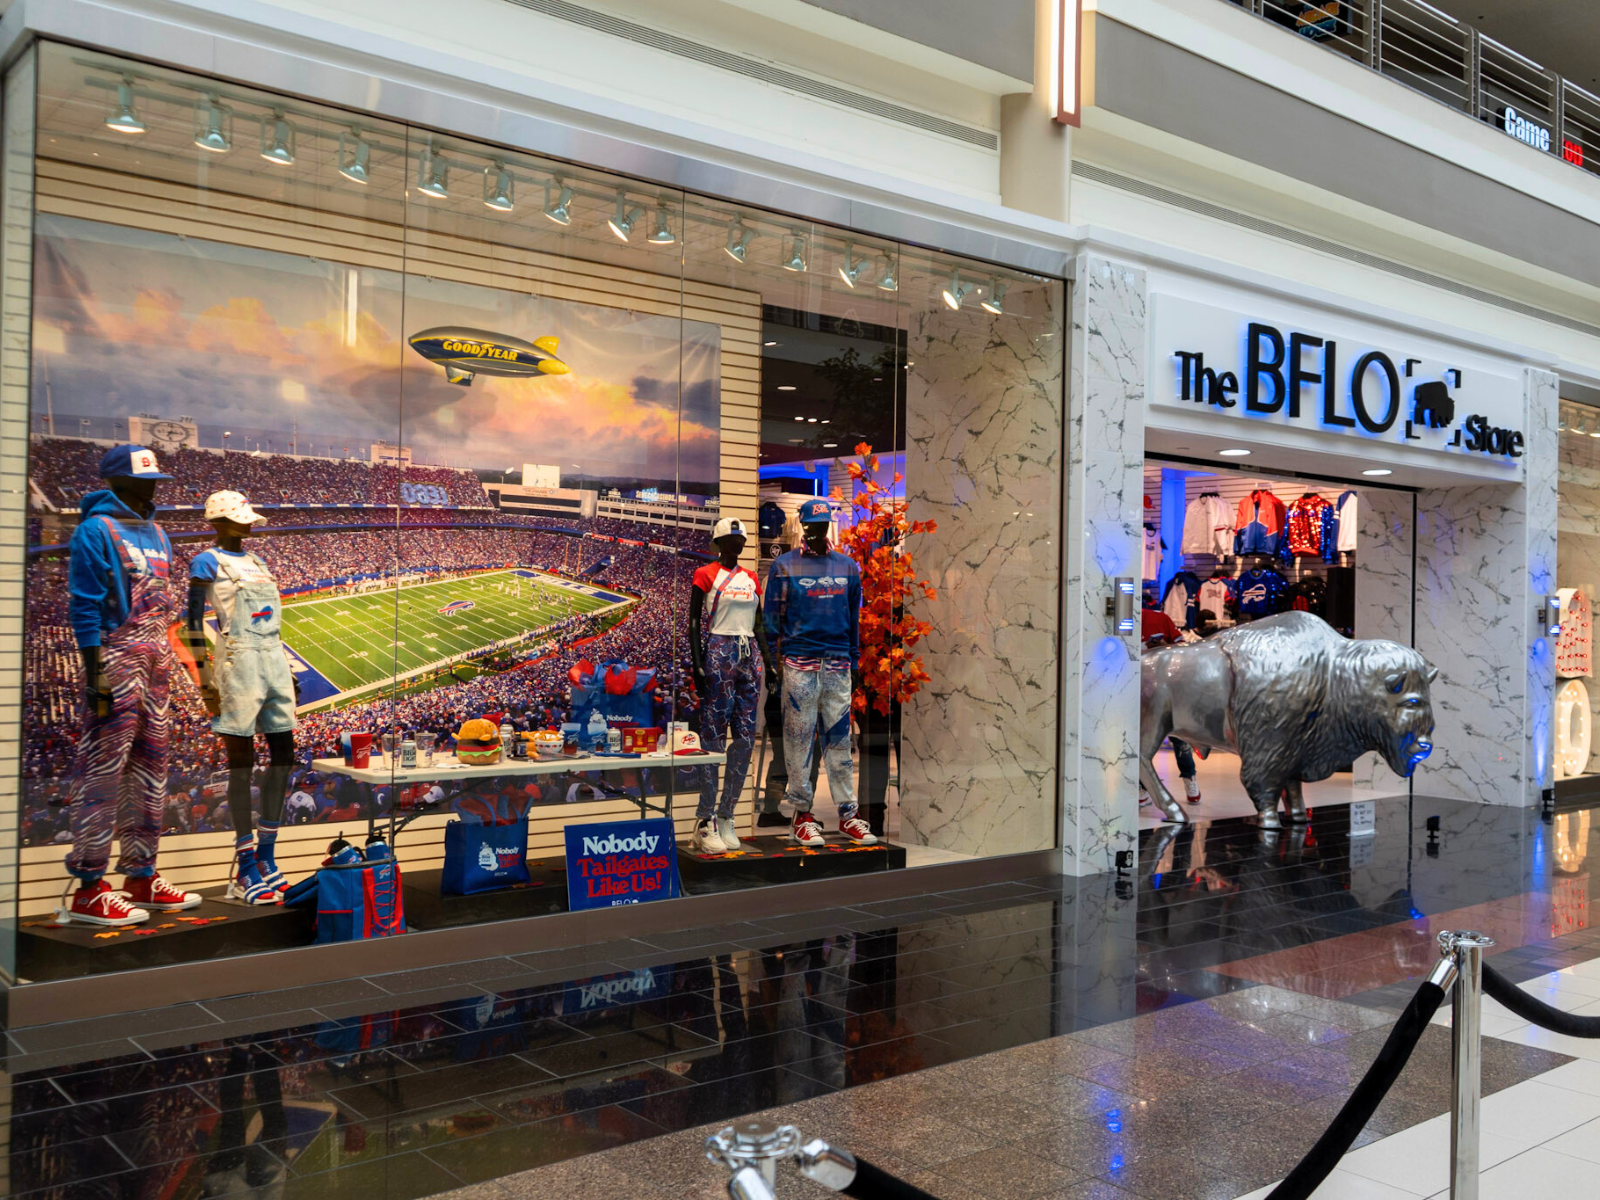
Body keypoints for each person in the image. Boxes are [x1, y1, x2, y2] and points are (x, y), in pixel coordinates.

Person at [60, 445, 201, 926]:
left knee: (152, 767)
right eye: (142, 482)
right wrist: (94, 671)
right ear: (116, 482)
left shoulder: (158, 531)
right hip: (116, 656)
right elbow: (84, 607)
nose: (150, 489)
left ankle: (140, 874)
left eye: (154, 481)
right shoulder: (95, 531)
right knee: (103, 770)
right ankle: (88, 886)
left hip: (156, 657)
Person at [186, 491, 298, 904]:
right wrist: (203, 678)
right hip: (237, 660)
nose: (248, 524)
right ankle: (245, 865)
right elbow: (194, 622)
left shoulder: (258, 562)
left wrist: (283, 668)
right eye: (238, 519)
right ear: (218, 522)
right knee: (241, 765)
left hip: (272, 657)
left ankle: (267, 857)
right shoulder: (206, 561)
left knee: (284, 756)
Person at [763, 498, 873, 846]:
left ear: (828, 527)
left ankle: (848, 814)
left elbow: (853, 619)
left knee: (840, 742)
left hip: (838, 662)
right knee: (798, 742)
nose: (816, 532)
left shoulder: (848, 567)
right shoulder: (783, 566)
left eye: (822, 526)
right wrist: (776, 664)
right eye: (810, 526)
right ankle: (801, 814)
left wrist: (854, 661)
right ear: (802, 526)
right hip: (799, 663)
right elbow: (771, 621)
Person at [688, 517, 776, 854]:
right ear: (720, 542)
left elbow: (759, 622)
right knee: (712, 737)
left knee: (743, 738)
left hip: (748, 651)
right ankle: (704, 818)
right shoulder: (705, 574)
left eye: (741, 539)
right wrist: (697, 663)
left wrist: (768, 661)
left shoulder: (751, 577)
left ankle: (727, 814)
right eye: (732, 538)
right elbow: (694, 622)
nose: (738, 544)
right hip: (719, 650)